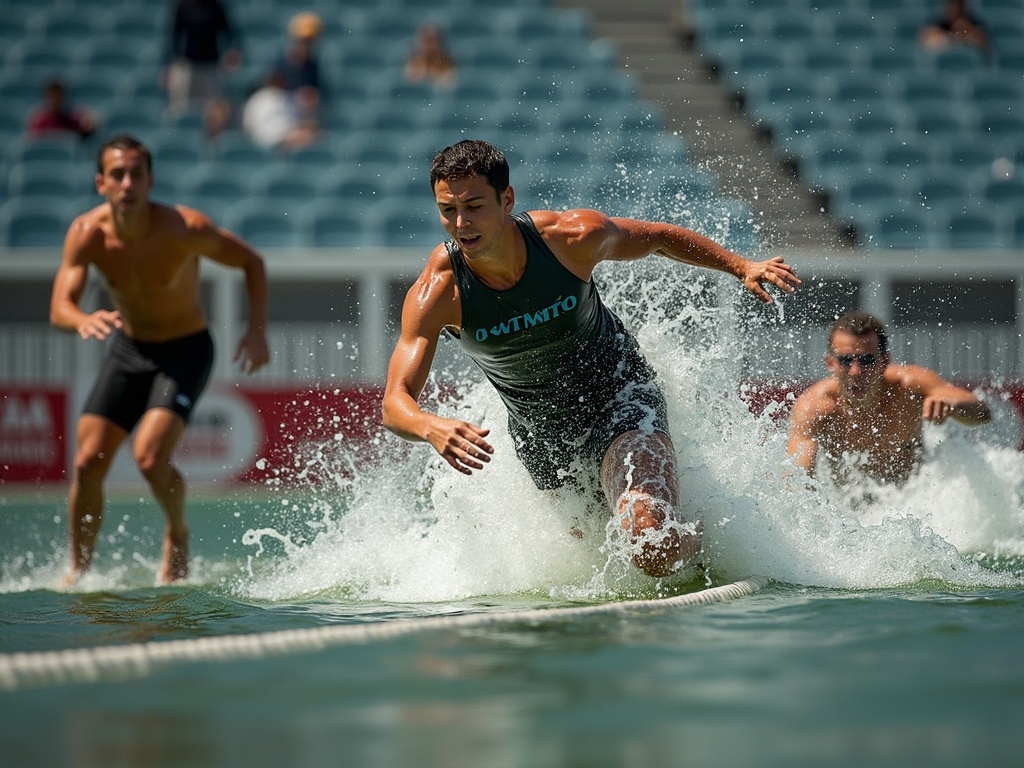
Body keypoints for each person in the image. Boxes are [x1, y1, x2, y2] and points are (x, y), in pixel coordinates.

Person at [381, 140, 801, 577]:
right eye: (447, 210)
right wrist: (430, 427)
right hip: (541, 439)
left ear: (507, 199)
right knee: (598, 567)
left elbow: (657, 238)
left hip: (620, 397)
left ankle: (702, 540)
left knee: (649, 543)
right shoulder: (438, 293)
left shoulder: (570, 239)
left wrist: (740, 266)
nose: (461, 223)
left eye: (474, 206)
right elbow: (395, 403)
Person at [49, 133, 270, 585]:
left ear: (151, 180)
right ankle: (80, 569)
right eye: (117, 174)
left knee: (149, 458)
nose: (127, 183)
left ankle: (177, 532)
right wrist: (80, 320)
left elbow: (251, 261)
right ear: (101, 183)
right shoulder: (86, 234)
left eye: (136, 173)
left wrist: (256, 330)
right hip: (129, 350)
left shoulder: (184, 228)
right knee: (88, 462)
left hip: (185, 350)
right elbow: (59, 307)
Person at [787, 311, 991, 488]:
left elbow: (982, 415)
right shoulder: (815, 407)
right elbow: (796, 482)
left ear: (884, 361)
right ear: (831, 363)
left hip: (917, 509)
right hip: (848, 513)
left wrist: (952, 405)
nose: (856, 372)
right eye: (845, 360)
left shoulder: (909, 386)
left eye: (867, 360)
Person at [163, 0, 242, 138]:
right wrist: (168, 64)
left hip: (211, 66)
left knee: (214, 110)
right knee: (180, 108)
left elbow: (230, 32)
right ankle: (179, 138)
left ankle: (212, 144)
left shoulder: (216, 7)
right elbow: (174, 36)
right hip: (187, 66)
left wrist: (233, 51)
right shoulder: (183, 6)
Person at [269, 12, 326, 134]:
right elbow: (272, 94)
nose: (306, 45)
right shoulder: (280, 63)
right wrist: (297, 97)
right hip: (280, 115)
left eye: (310, 41)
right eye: (303, 40)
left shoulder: (312, 65)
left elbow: (317, 94)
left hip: (302, 117)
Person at [241, 70, 318, 150]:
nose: (278, 83)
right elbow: (248, 126)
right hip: (262, 140)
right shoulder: (256, 100)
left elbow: (297, 121)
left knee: (311, 133)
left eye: (280, 81)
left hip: (288, 138)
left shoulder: (287, 98)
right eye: (275, 80)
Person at [25, 79, 99, 141]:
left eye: (59, 96)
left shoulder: (73, 119)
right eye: (52, 97)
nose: (56, 100)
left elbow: (89, 128)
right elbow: (33, 140)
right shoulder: (39, 121)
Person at [918, 0, 989, 53]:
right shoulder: (938, 24)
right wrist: (954, 37)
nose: (956, 10)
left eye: (959, 6)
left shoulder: (974, 24)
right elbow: (926, 40)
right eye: (953, 6)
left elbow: (984, 42)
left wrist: (966, 30)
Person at [403, 24, 457, 88]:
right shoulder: (412, 64)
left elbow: (449, 84)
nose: (430, 46)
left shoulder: (449, 64)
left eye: (433, 40)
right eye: (427, 41)